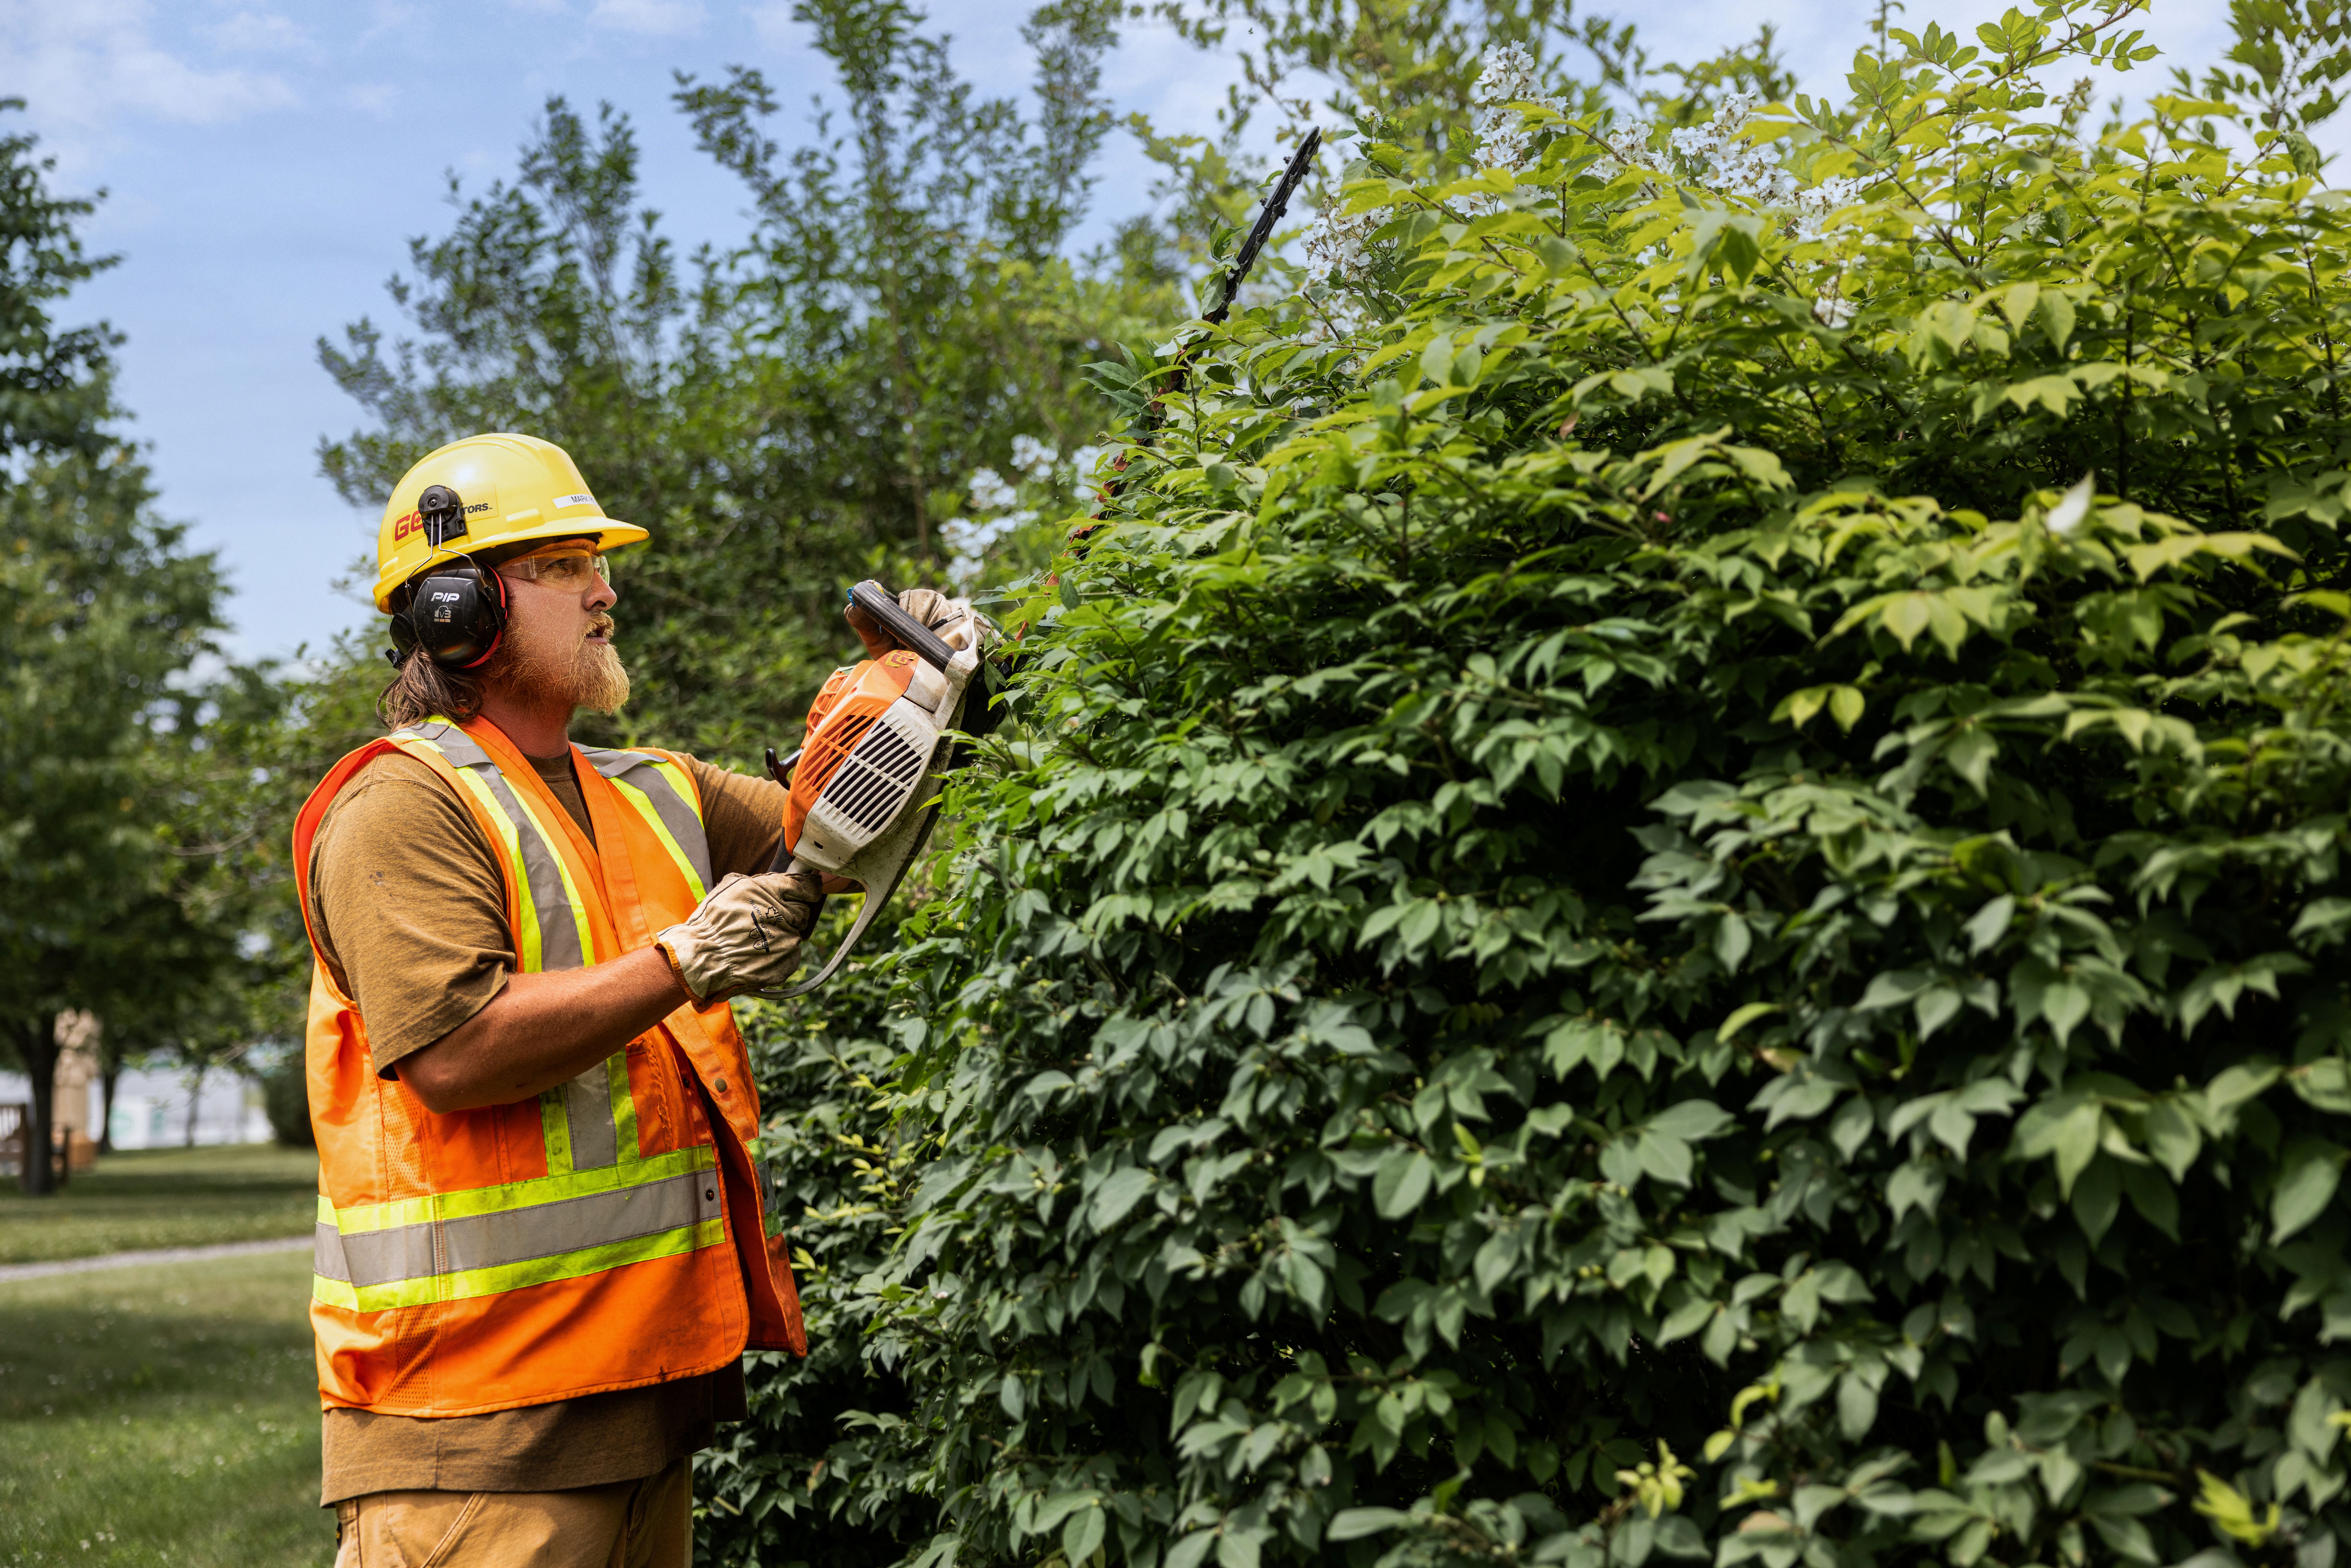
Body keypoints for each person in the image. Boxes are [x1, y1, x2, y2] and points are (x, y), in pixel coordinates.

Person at [293, 432, 974, 1566]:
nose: (604, 592)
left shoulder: (656, 789)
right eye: (564, 566)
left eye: (598, 564)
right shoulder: (400, 806)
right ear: (460, 611)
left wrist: (928, 696)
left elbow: (846, 841)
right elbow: (454, 1054)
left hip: (639, 1408)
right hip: (475, 1434)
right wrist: (684, 961)